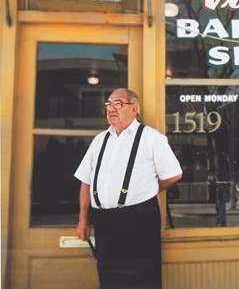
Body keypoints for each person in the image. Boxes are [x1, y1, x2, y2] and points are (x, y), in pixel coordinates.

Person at [74, 88, 182, 289]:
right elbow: (85, 180)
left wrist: (145, 190)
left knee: (143, 279)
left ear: (134, 108)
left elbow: (174, 174)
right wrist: (83, 219)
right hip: (104, 220)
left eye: (118, 103)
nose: (111, 108)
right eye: (108, 104)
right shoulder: (99, 141)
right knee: (109, 278)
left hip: (139, 218)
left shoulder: (151, 138)